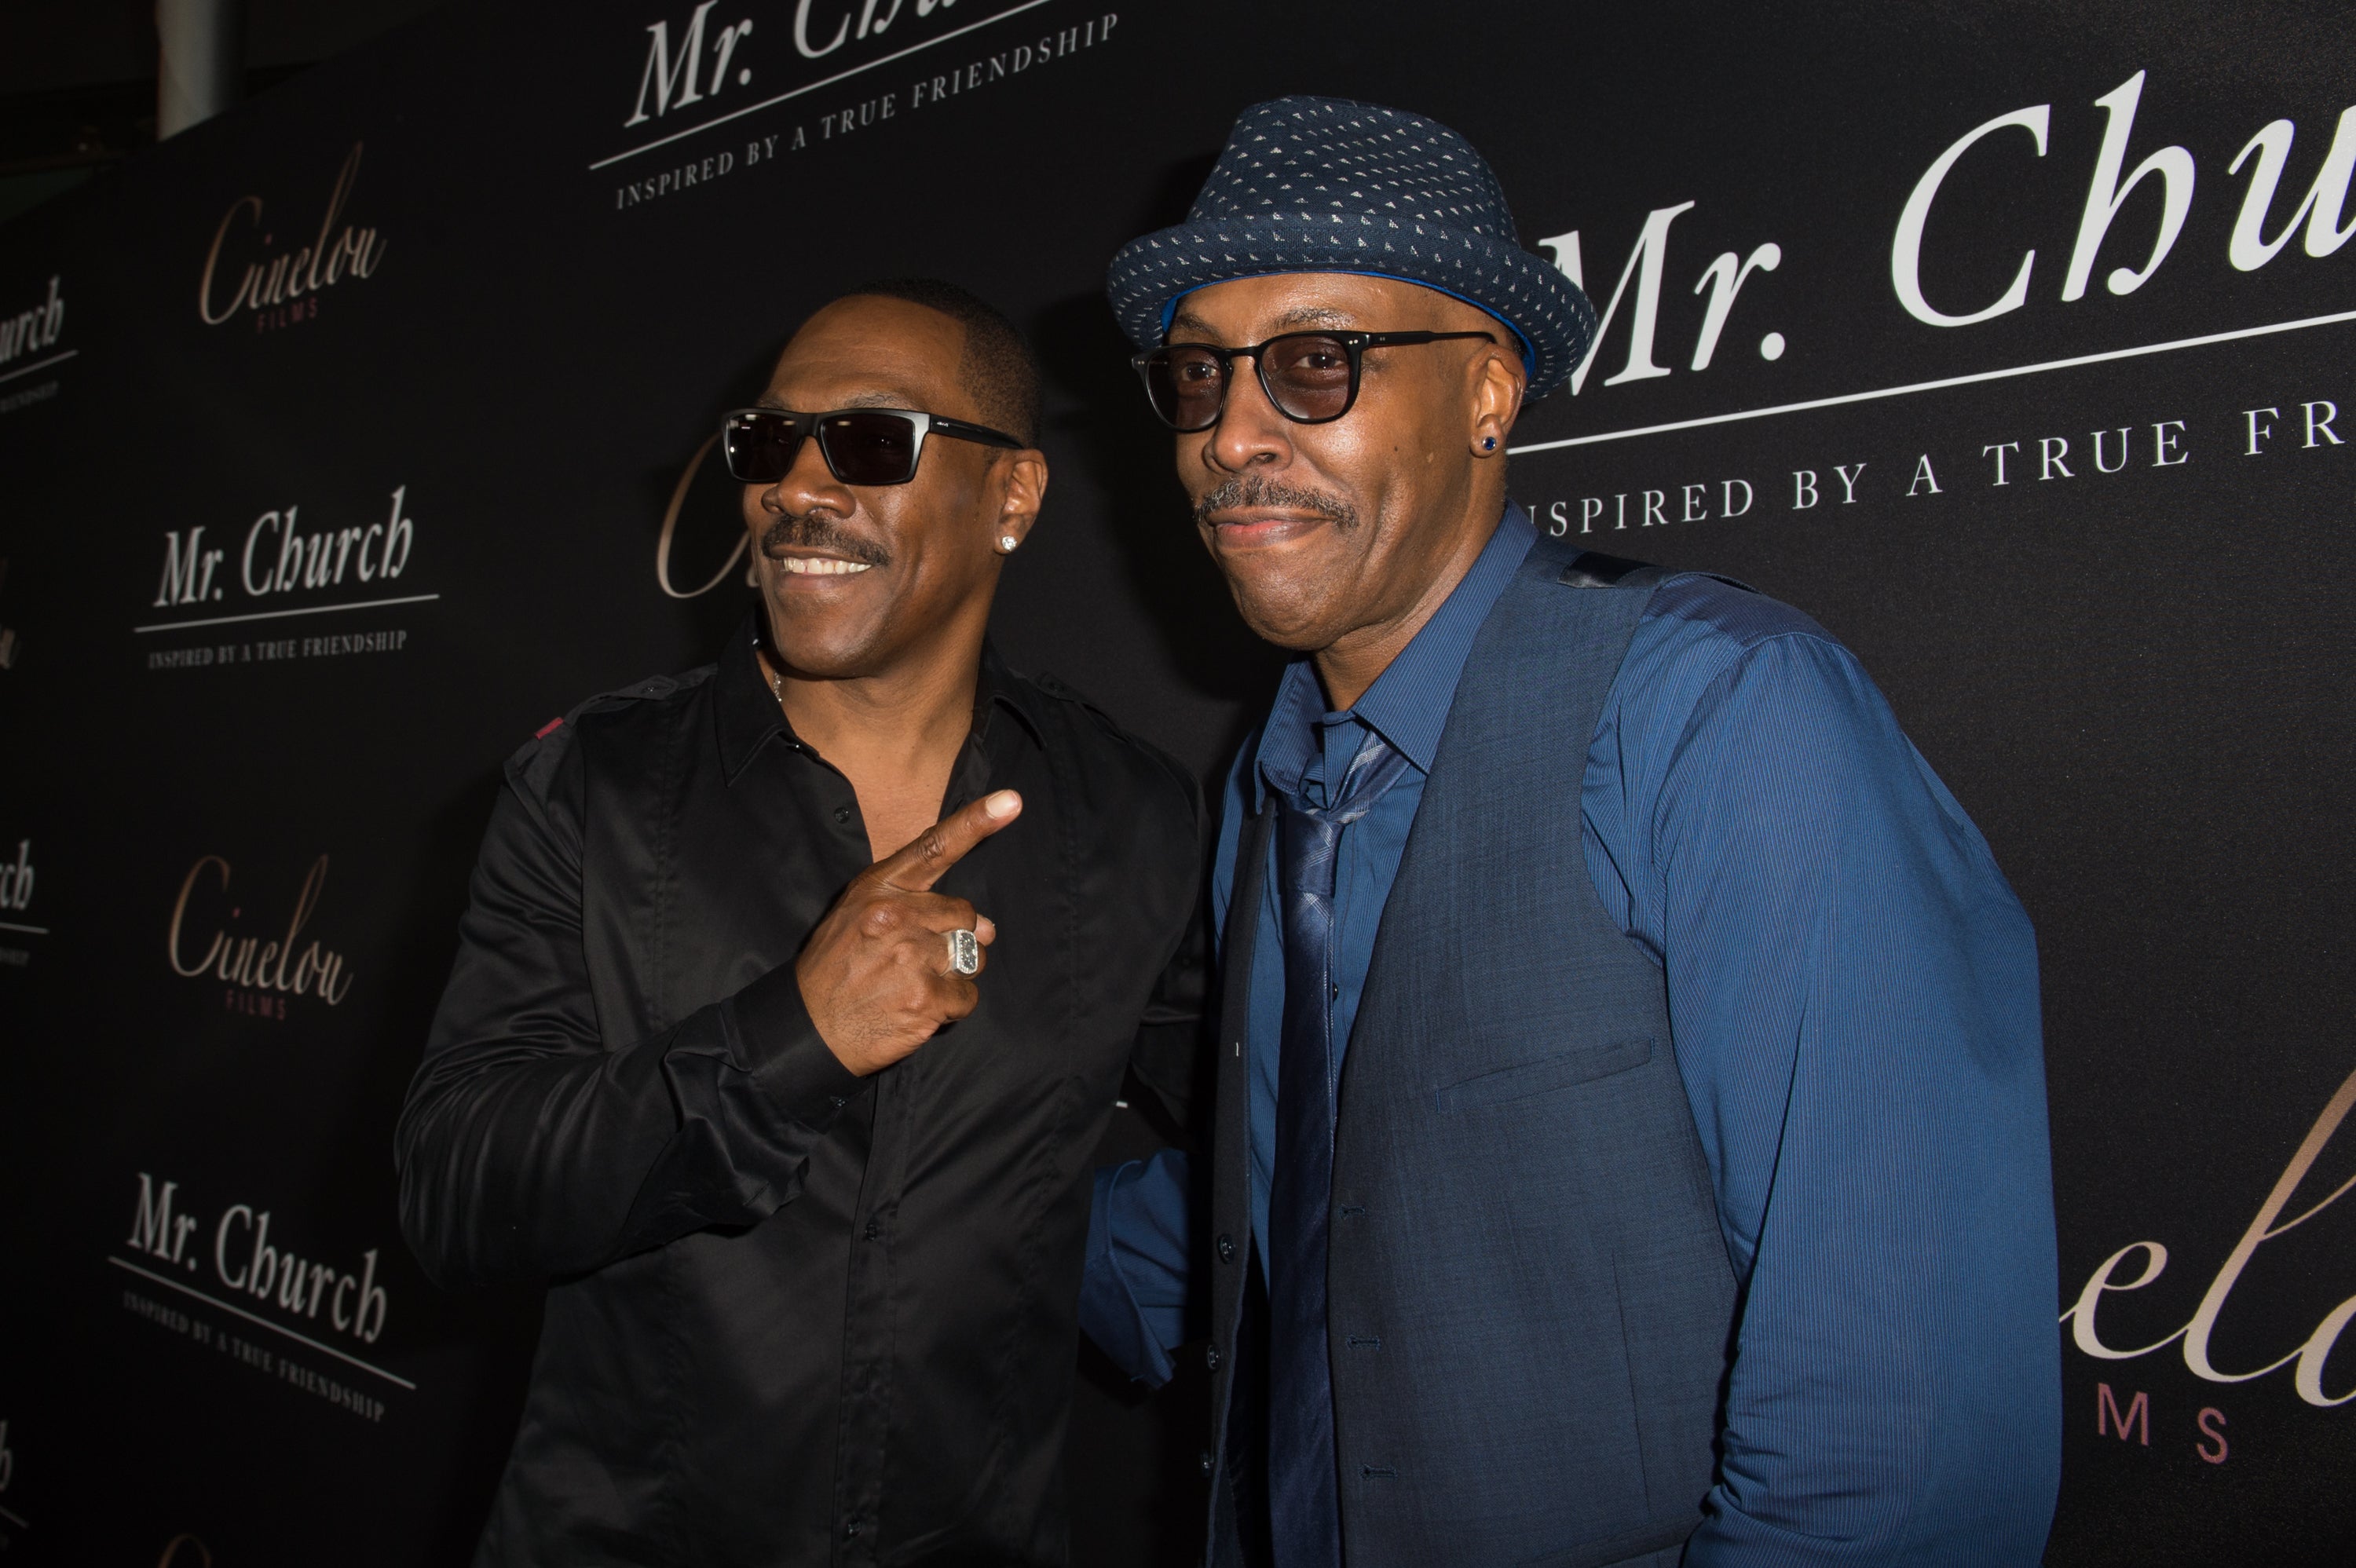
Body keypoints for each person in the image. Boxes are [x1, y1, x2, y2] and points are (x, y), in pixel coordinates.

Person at [1081, 97, 2062, 1567]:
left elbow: (1894, 1449)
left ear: (1488, 391)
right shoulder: (1269, 782)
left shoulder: (1716, 711)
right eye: (1197, 373)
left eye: (1314, 363)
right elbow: (1312, 1201)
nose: (1231, 434)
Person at [397, 278, 1203, 1566]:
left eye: (872, 440)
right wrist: (791, 1039)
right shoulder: (597, 787)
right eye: (770, 441)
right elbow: (456, 1192)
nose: (797, 488)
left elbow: (1271, 1123)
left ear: (1013, 496)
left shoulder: (1132, 813)